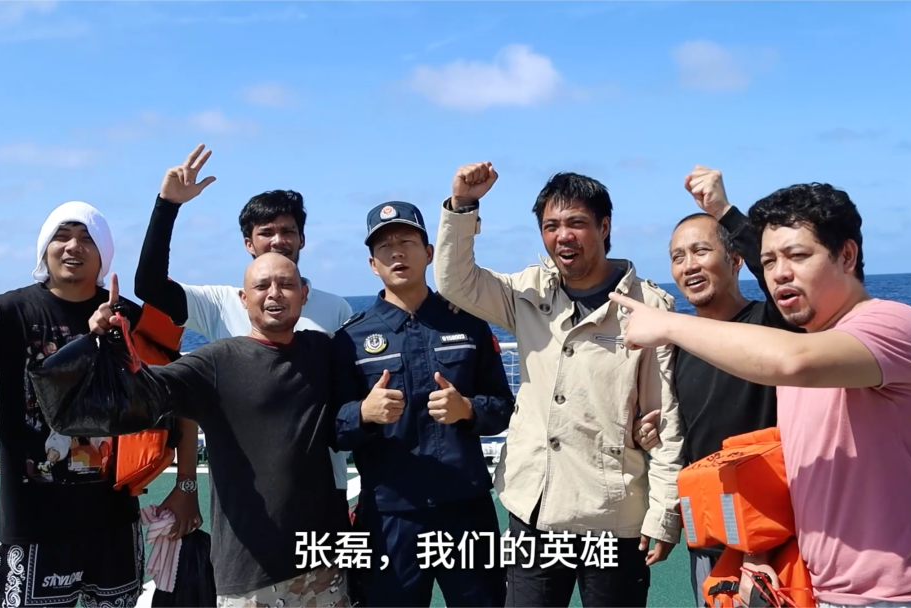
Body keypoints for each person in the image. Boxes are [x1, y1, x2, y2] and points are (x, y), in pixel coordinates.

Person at [609, 182, 911, 607]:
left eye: (797, 256)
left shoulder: (893, 325)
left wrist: (667, 324)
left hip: (910, 594)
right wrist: (758, 555)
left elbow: (793, 360)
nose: (779, 273)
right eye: (768, 261)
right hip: (823, 591)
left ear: (846, 255)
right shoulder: (800, 351)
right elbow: (795, 470)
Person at [433, 162, 684, 607]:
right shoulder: (527, 293)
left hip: (612, 514)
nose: (562, 236)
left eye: (576, 223)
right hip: (535, 509)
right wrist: (463, 206)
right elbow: (456, 281)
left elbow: (665, 421)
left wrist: (664, 513)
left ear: (604, 227)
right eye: (551, 226)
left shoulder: (648, 308)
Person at [86, 254, 351, 607]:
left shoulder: (324, 351)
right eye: (262, 285)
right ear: (243, 298)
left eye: (286, 284)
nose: (275, 293)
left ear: (303, 295)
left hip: (323, 565)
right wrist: (110, 344)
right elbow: (141, 392)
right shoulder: (216, 363)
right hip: (249, 574)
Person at [0, 202, 148, 607]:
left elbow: (168, 396)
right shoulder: (9, 312)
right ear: (44, 248)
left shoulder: (127, 315)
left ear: (103, 253)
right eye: (61, 236)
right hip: (33, 525)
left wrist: (184, 485)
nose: (73, 246)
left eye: (86, 239)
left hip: (114, 520)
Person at [132, 144, 354, 503]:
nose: (278, 240)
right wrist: (167, 205)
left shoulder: (336, 309)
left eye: (288, 230)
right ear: (248, 243)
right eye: (266, 231)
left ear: (302, 238)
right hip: (245, 493)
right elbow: (150, 287)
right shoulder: (221, 303)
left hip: (324, 488)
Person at [331, 201, 515, 607]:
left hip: (465, 509)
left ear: (429, 253)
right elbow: (331, 427)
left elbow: (504, 407)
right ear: (372, 264)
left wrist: (468, 409)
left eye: (407, 242)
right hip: (390, 515)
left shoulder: (467, 323)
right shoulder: (350, 339)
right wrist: (363, 414)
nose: (397, 253)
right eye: (385, 247)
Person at [660, 166, 801, 605]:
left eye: (700, 251)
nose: (688, 265)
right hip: (712, 536)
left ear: (736, 259)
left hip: (777, 535)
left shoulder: (772, 323)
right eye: (677, 257)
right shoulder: (680, 344)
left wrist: (724, 211)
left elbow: (774, 270)